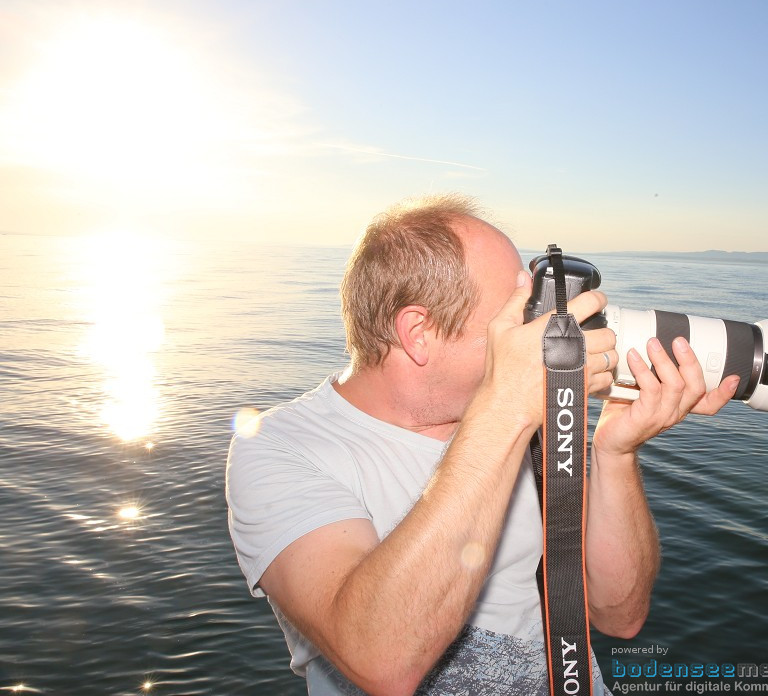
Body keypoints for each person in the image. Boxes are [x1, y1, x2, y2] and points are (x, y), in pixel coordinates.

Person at [226, 194, 741, 696]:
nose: (539, 332)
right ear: (418, 332)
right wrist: (508, 410)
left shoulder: (531, 423)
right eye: (515, 316)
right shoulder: (282, 448)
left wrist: (614, 453)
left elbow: (619, 614)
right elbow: (381, 661)